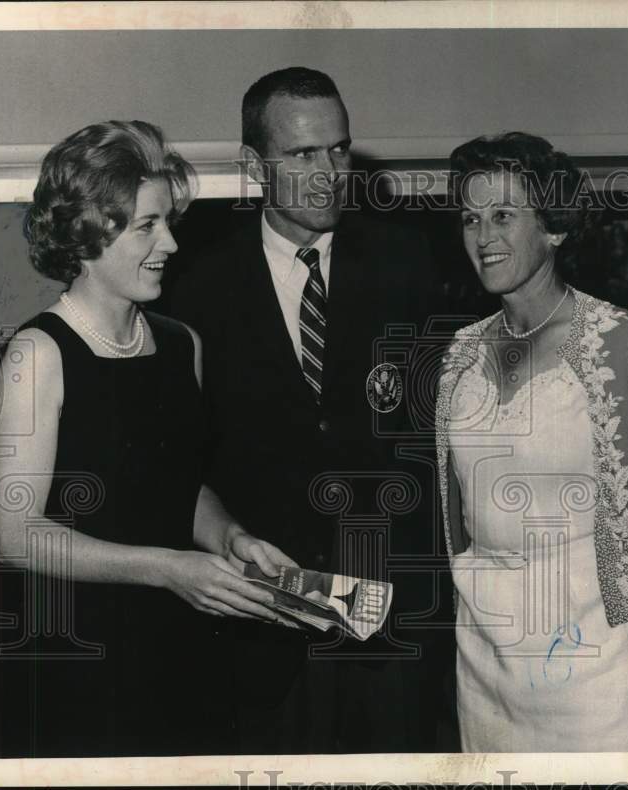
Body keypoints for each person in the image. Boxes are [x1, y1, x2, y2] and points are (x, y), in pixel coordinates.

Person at [0, 121, 293, 758]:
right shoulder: (38, 354)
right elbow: (16, 537)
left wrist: (232, 537)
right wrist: (166, 567)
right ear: (86, 234)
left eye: (167, 221)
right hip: (77, 656)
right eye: (146, 226)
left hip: (180, 645)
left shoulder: (182, 345)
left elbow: (180, 485)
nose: (172, 244)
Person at [170, 67, 453, 753]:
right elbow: (179, 464)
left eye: (339, 150)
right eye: (303, 154)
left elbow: (443, 443)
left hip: (392, 634)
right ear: (252, 165)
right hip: (256, 635)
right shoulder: (192, 287)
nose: (329, 171)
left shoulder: (412, 264)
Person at [437, 132, 628, 751]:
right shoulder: (459, 356)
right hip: (486, 651)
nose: (482, 237)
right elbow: (455, 510)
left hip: (595, 653)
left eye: (504, 215)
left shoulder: (619, 341)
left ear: (554, 227)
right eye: (471, 218)